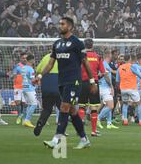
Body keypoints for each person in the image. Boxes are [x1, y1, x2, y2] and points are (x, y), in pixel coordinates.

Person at [39, 17, 95, 149]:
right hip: (62, 81)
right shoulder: (57, 44)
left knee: (64, 107)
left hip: (74, 81)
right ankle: (84, 138)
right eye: (60, 24)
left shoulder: (77, 43)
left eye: (62, 24)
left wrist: (92, 81)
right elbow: (50, 63)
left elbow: (85, 62)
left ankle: (57, 138)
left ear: (70, 27)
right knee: (72, 111)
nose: (60, 26)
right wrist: (40, 75)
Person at [78, 38, 106, 137]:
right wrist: (96, 77)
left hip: (82, 83)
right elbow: (103, 72)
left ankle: (80, 131)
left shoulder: (80, 56)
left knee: (81, 106)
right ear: (92, 45)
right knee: (94, 107)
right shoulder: (97, 57)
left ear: (84, 45)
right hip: (94, 83)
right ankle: (93, 131)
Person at [34, 52, 60, 136]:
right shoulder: (63, 57)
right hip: (58, 83)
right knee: (63, 109)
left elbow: (38, 70)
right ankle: (61, 130)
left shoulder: (46, 57)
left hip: (46, 85)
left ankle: (40, 123)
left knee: (47, 109)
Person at [97, 49, 118, 130]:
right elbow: (106, 77)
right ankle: (98, 118)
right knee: (111, 106)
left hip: (103, 87)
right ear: (109, 55)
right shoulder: (104, 64)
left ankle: (109, 123)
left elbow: (111, 72)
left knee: (107, 105)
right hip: (105, 87)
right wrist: (111, 87)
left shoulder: (105, 64)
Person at [20, 54, 38, 128]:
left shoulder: (23, 68)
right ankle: (27, 120)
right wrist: (38, 79)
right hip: (30, 89)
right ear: (32, 60)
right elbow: (33, 80)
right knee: (34, 104)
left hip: (24, 88)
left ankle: (25, 120)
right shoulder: (31, 69)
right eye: (34, 60)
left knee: (29, 104)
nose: (34, 61)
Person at [12, 52, 27, 125]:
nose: (25, 59)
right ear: (20, 58)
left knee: (24, 103)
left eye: (25, 58)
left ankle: (24, 118)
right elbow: (14, 74)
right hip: (17, 87)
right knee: (18, 102)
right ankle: (19, 116)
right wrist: (14, 76)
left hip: (25, 87)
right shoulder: (17, 66)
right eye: (23, 58)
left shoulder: (29, 66)